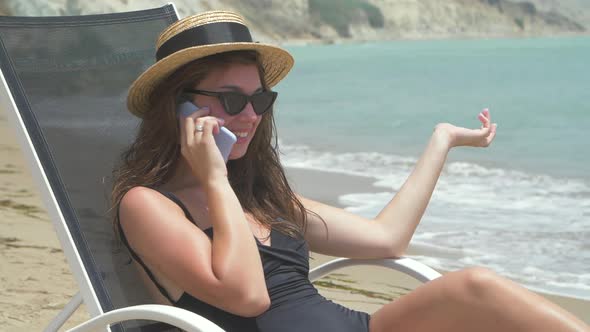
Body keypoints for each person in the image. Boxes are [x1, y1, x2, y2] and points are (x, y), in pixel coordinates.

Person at [112, 10, 589, 332]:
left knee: (476, 286)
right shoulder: (148, 204)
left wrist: (441, 141)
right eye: (233, 100)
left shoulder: (259, 195)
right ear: (180, 108)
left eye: (260, 99)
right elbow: (248, 297)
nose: (252, 115)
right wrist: (214, 178)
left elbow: (385, 240)